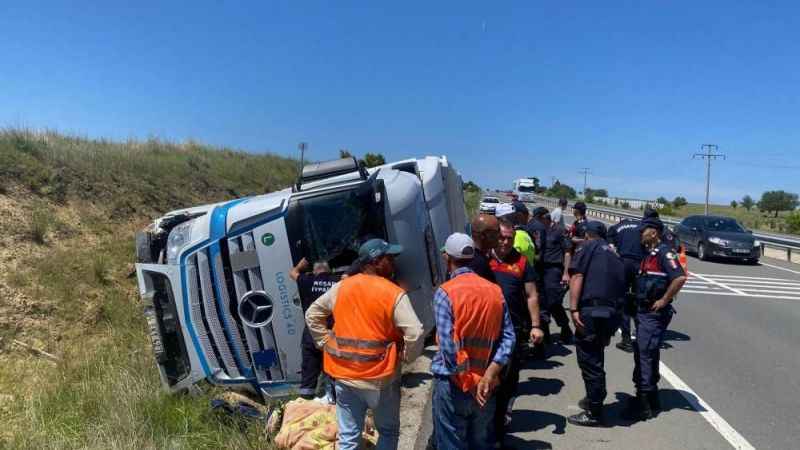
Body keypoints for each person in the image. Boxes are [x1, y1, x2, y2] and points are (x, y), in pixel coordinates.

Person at [305, 238, 424, 450]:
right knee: (387, 431)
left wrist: (324, 342)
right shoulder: (392, 292)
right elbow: (415, 332)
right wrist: (407, 356)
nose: (393, 263)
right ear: (375, 261)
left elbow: (312, 314)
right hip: (381, 377)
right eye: (389, 258)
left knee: (349, 438)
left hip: (344, 375)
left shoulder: (342, 287)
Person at [431, 233, 516, 450]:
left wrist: (468, 381)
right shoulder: (494, 291)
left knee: (451, 443)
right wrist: (488, 375)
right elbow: (509, 338)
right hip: (486, 386)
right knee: (481, 442)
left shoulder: (445, 292)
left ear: (447, 258)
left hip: (454, 385)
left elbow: (449, 348)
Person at [624, 217, 687, 421]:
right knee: (646, 352)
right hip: (643, 311)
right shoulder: (648, 253)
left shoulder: (663, 252)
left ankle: (643, 404)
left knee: (645, 353)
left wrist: (664, 300)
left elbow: (679, 277)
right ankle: (651, 397)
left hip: (653, 313)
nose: (640, 233)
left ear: (654, 232)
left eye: (643, 230)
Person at [566, 221, 627, 427]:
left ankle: (595, 410)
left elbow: (578, 276)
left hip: (591, 311)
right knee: (596, 356)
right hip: (612, 313)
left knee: (589, 360)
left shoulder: (587, 247)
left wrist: (573, 308)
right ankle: (594, 398)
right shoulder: (614, 254)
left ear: (587, 235)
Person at [489, 218, 544, 444]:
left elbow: (532, 295)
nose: (505, 242)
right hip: (486, 331)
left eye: (509, 238)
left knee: (508, 381)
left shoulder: (521, 263)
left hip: (513, 330)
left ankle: (499, 430)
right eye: (501, 237)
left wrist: (536, 325)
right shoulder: (483, 259)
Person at [290, 258, 342, 400]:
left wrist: (300, 266)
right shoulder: (338, 282)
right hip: (333, 333)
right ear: (329, 270)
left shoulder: (307, 281)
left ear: (314, 272)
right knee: (334, 369)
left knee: (309, 367)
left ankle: (306, 399)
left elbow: (292, 273)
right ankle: (336, 400)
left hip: (312, 332)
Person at [527, 207, 573, 350]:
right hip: (540, 269)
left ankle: (564, 326)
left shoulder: (558, 231)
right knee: (541, 302)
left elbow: (567, 252)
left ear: (545, 218)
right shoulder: (538, 231)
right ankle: (544, 334)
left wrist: (566, 273)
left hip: (554, 269)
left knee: (553, 301)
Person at [606, 217, 644, 353]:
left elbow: (610, 245)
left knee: (622, 301)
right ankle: (641, 337)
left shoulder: (617, 227)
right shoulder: (642, 226)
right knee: (639, 301)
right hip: (640, 264)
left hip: (623, 262)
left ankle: (626, 340)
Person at [468, 214, 500, 283]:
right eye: (496, 232)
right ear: (483, 235)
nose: (499, 236)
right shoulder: (477, 263)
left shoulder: (467, 256)